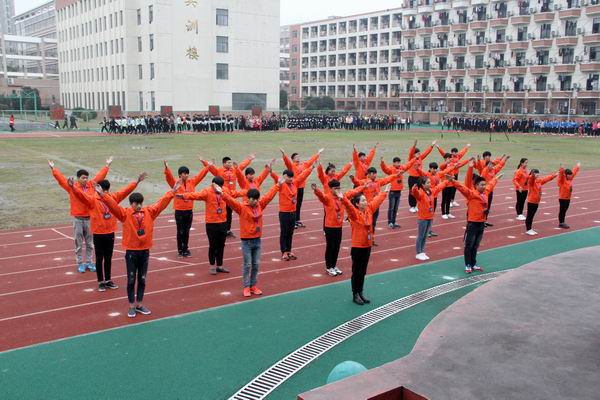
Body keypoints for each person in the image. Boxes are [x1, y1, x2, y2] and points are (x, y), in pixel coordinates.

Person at [98, 182, 180, 318]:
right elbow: (113, 206)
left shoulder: (149, 212)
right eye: (136, 203)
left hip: (145, 251)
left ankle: (139, 304)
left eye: (141, 203)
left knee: (142, 279)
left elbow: (161, 203)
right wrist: (102, 195)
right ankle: (131, 306)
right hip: (131, 252)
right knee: (131, 280)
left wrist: (172, 192)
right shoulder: (124, 214)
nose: (139, 206)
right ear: (131, 204)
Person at [70, 172, 147, 291]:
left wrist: (136, 182)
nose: (105, 193)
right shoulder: (92, 199)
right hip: (99, 233)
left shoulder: (112, 197)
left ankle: (108, 280)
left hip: (110, 231)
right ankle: (101, 281)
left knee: (107, 258)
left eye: (106, 191)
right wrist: (73, 187)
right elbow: (80, 195)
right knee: (100, 258)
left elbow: (125, 191)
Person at [49, 157, 112, 272]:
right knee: (78, 242)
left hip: (90, 219)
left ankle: (89, 262)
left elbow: (100, 177)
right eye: (83, 177)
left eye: (87, 177)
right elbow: (61, 180)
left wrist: (107, 166)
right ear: (78, 178)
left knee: (90, 243)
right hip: (78, 219)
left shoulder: (91, 185)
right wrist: (53, 169)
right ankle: (80, 263)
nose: (85, 179)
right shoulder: (72, 187)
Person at [221, 182, 280, 297]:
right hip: (246, 241)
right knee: (247, 265)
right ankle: (246, 287)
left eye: (257, 199)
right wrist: (222, 193)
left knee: (256, 264)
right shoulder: (241, 207)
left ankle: (253, 285)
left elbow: (268, 196)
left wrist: (277, 185)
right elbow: (230, 201)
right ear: (248, 199)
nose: (256, 201)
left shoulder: (260, 205)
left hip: (257, 240)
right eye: (254, 199)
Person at [180, 176, 243, 275]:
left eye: (221, 186)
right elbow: (195, 195)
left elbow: (235, 193)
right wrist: (184, 196)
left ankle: (220, 266)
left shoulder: (224, 190)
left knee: (221, 245)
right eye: (218, 186)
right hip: (211, 224)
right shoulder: (207, 192)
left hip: (223, 222)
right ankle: (212, 266)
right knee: (213, 245)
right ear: (213, 184)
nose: (220, 188)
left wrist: (246, 192)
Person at [340, 184, 389, 305]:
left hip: (367, 246)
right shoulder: (354, 214)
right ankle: (355, 294)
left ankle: (360, 292)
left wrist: (385, 192)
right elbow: (349, 207)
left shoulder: (369, 210)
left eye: (365, 200)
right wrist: (343, 198)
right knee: (356, 272)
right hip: (358, 246)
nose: (365, 202)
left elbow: (377, 201)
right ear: (357, 204)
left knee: (363, 271)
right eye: (362, 201)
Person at [312, 181, 364, 276]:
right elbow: (321, 196)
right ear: (331, 189)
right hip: (330, 227)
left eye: (339, 188)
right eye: (335, 188)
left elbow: (353, 192)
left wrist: (363, 186)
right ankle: (329, 267)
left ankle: (334, 265)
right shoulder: (328, 198)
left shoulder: (342, 197)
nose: (338, 190)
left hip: (339, 226)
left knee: (337, 247)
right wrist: (316, 190)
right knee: (330, 247)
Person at [452, 172, 501, 273]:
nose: (484, 186)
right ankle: (468, 264)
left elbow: (491, 184)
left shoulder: (486, 192)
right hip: (472, 223)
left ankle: (473, 263)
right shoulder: (471, 194)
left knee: (476, 245)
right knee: (469, 245)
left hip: (481, 223)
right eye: (481, 185)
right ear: (476, 185)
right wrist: (452, 180)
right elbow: (462, 188)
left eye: (484, 184)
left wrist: (496, 178)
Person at [164, 159, 210, 257]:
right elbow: (169, 178)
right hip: (179, 211)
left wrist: (207, 167)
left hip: (189, 210)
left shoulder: (192, 182)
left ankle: (186, 248)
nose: (186, 175)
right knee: (180, 231)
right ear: (180, 175)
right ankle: (180, 250)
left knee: (187, 231)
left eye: (187, 173)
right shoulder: (175, 183)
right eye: (184, 173)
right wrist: (167, 168)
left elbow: (200, 176)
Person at [201, 154, 254, 237]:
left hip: (231, 196)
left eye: (230, 162)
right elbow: (210, 167)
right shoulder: (219, 171)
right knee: (223, 213)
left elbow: (242, 165)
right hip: (222, 196)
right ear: (224, 163)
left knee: (229, 214)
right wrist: (203, 161)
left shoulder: (234, 170)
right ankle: (222, 230)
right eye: (228, 163)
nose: (230, 164)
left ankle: (228, 230)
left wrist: (249, 159)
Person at [272, 167, 314, 261]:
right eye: (289, 177)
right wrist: (271, 171)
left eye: (292, 177)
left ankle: (289, 250)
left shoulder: (294, 183)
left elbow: (302, 176)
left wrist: (311, 168)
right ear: (284, 177)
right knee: (284, 233)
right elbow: (275, 177)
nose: (291, 179)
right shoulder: (282, 185)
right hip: (284, 213)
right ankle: (284, 252)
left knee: (290, 233)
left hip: (293, 212)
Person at [350, 167, 400, 245]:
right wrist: (353, 178)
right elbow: (357, 182)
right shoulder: (365, 182)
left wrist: (396, 175)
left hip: (376, 206)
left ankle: (371, 239)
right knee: (366, 224)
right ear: (369, 174)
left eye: (375, 173)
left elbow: (387, 179)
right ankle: (365, 239)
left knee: (373, 223)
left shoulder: (378, 182)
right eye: (373, 173)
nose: (375, 175)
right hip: (367, 208)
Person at [281, 147, 323, 228]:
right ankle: (292, 222)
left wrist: (318, 153)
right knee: (294, 204)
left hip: (301, 187)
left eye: (298, 157)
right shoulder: (292, 166)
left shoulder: (303, 165)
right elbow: (287, 162)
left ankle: (297, 220)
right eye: (296, 157)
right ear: (293, 159)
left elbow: (311, 161)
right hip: (294, 187)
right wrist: (284, 154)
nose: (298, 158)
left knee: (299, 204)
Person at [410, 175, 449, 261]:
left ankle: (422, 251)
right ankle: (418, 253)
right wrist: (414, 188)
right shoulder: (420, 193)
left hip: (430, 217)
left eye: (429, 182)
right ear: (423, 185)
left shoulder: (431, 191)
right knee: (421, 236)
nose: (430, 184)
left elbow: (439, 187)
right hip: (423, 218)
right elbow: (415, 193)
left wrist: (447, 181)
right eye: (428, 183)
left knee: (425, 236)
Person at [380, 156, 416, 228]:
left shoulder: (402, 168)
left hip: (399, 192)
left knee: (395, 208)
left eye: (399, 162)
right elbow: (385, 169)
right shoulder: (391, 169)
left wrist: (415, 158)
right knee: (391, 208)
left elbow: (408, 165)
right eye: (397, 163)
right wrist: (382, 162)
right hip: (392, 192)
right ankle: (390, 222)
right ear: (393, 163)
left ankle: (394, 221)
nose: (398, 164)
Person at [525, 169, 558, 235]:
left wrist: (554, 175)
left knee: (532, 215)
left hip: (536, 201)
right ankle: (528, 229)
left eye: (538, 174)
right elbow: (531, 179)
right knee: (530, 216)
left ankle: (530, 229)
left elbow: (546, 179)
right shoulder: (531, 181)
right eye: (536, 174)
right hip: (531, 201)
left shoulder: (538, 181)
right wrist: (532, 176)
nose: (537, 175)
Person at [479, 155, 509, 226]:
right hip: (484, 191)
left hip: (490, 190)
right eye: (490, 164)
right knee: (483, 207)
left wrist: (505, 159)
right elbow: (482, 177)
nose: (492, 166)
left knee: (488, 206)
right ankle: (480, 221)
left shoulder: (493, 170)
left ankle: (484, 220)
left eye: (492, 165)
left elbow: (500, 166)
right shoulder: (485, 170)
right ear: (487, 165)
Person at [407, 140, 436, 213]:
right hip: (412, 178)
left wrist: (431, 146)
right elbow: (411, 153)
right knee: (412, 191)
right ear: (414, 154)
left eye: (419, 153)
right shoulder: (411, 159)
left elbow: (426, 153)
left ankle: (416, 205)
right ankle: (412, 206)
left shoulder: (420, 158)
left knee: (419, 191)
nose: (419, 154)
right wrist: (414, 146)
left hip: (419, 178)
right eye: (417, 153)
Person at [557, 163, 581, 229]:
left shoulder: (570, 178)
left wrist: (577, 166)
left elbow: (574, 172)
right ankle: (561, 223)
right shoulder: (562, 180)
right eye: (569, 175)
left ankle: (562, 222)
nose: (570, 176)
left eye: (571, 175)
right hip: (562, 198)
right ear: (565, 175)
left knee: (565, 210)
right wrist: (562, 169)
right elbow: (561, 175)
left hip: (568, 198)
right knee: (562, 211)